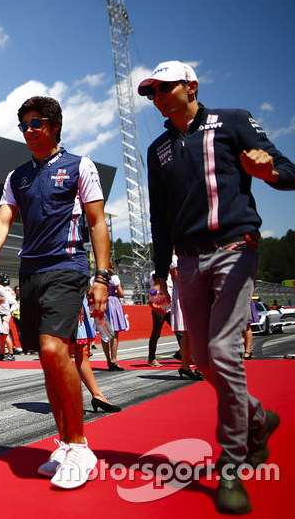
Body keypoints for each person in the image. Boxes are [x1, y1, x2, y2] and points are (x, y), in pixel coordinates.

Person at [140, 61, 295, 514]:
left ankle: (231, 463)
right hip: (185, 262)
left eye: (165, 88)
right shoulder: (158, 150)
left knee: (225, 353)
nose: (158, 97)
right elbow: (159, 215)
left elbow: (288, 169)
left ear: (191, 86)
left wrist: (269, 172)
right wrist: (158, 269)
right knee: (205, 361)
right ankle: (257, 417)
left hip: (235, 248)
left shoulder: (231, 120)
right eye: (152, 93)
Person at [0, 96, 110, 489]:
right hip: (30, 270)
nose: (28, 131)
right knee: (48, 361)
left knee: (56, 350)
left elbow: (98, 221)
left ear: (54, 125)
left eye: (36, 123)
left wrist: (102, 276)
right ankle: (65, 446)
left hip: (67, 267)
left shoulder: (79, 166)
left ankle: (80, 446)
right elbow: (3, 219)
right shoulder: (16, 176)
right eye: (23, 125)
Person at [73, 300, 121, 413]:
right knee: (64, 349)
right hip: (65, 295)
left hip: (76, 295)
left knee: (83, 350)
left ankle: (97, 395)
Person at [99, 267, 127, 371]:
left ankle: (108, 360)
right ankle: (114, 360)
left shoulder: (96, 279)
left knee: (104, 333)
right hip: (113, 304)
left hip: (102, 303)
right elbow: (122, 294)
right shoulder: (114, 278)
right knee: (114, 334)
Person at [0, 274, 16, 361]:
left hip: (4, 313)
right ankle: (1, 353)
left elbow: (0, 299)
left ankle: (11, 353)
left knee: (5, 334)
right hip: (0, 313)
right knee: (0, 335)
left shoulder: (0, 289)